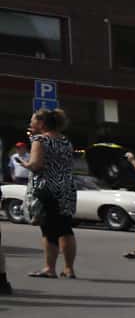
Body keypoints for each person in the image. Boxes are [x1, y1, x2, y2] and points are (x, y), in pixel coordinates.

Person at [24, 107, 77, 280]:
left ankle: (50, 268)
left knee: (48, 230)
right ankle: (69, 269)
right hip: (67, 188)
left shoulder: (40, 140)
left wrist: (26, 164)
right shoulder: (65, 141)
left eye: (33, 120)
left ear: (41, 123)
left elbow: (37, 164)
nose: (30, 122)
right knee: (65, 228)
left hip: (48, 189)